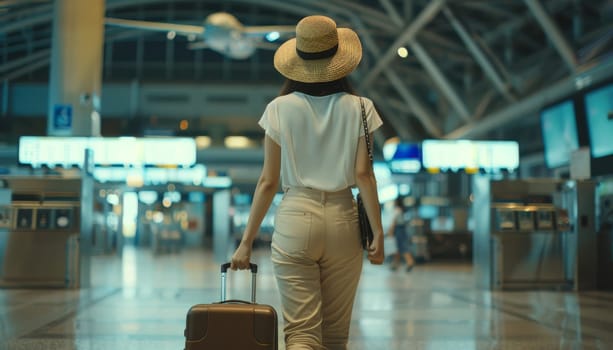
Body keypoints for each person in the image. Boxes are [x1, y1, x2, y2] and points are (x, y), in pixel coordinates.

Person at [230, 14, 385, 350]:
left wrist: (246, 242)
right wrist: (379, 232)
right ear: (340, 61)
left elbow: (268, 181)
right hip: (344, 221)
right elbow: (363, 175)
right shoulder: (361, 107)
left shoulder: (279, 109)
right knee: (334, 335)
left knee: (301, 333)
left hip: (296, 217)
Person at [386, 196, 416, 272]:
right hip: (402, 229)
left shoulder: (397, 210)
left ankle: (410, 262)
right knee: (398, 247)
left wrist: (390, 231)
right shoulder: (402, 210)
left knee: (401, 246)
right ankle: (395, 264)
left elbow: (394, 221)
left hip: (398, 230)